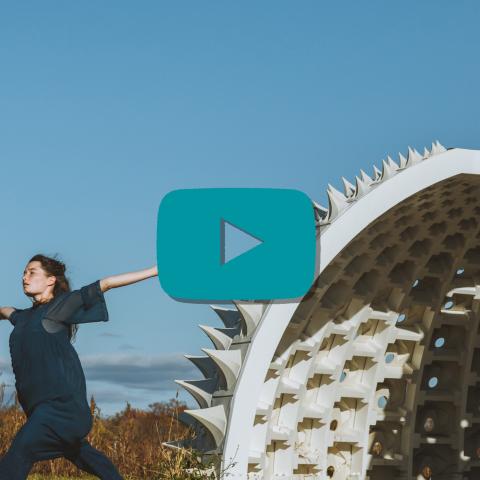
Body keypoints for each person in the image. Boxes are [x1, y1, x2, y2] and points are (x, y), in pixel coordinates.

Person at [0, 253, 158, 480]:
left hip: (61, 409)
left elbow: (107, 283)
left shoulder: (59, 308)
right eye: (23, 273)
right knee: (83, 454)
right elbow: (5, 310)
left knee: (20, 452)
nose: (25, 277)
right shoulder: (21, 317)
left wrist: (155, 270)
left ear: (51, 280)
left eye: (31, 272)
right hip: (39, 411)